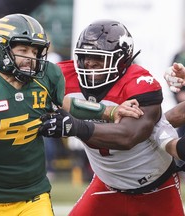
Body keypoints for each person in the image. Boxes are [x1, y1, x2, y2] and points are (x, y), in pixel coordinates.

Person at [0, 14, 143, 216]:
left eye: (36, 50)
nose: (32, 57)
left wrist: (110, 110)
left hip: (32, 193)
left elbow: (64, 103)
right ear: (1, 49)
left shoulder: (46, 77)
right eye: (23, 50)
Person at [38, 19, 185, 215]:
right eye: (85, 56)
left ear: (122, 61)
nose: (89, 63)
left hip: (157, 187)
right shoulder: (62, 76)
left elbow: (128, 136)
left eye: (98, 58)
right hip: (107, 186)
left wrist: (74, 126)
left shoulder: (139, 83)